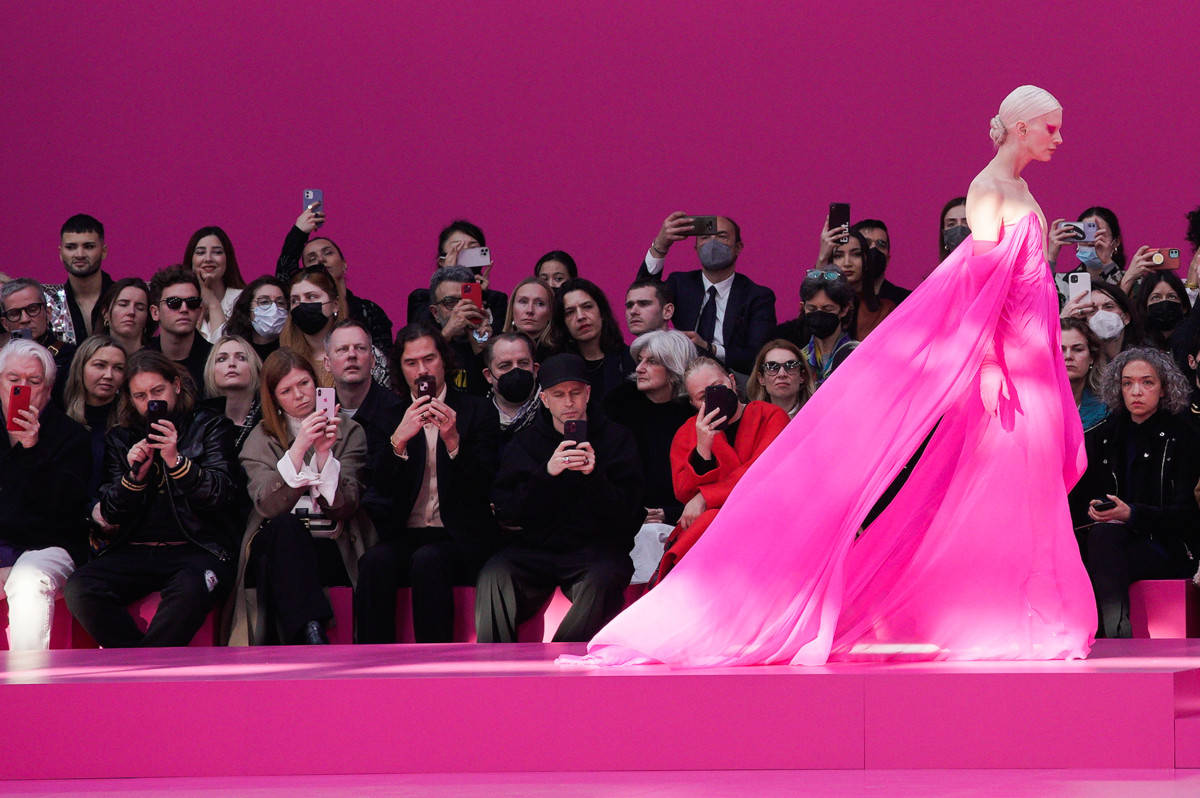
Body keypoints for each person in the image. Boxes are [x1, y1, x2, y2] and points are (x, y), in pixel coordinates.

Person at [563, 85, 1095, 668]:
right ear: (1021, 128)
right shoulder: (989, 189)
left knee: (1024, 488)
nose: (1059, 137)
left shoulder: (1017, 188)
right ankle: (1010, 615)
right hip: (1009, 367)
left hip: (1034, 359)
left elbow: (1023, 284)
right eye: (1051, 127)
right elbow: (979, 291)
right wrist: (991, 365)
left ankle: (1021, 613)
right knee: (1001, 489)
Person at [64, 351, 240, 647]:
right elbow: (109, 512)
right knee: (81, 587)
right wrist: (133, 479)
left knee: (190, 588)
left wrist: (177, 463)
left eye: (158, 392)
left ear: (177, 386)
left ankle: (141, 668)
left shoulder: (211, 427)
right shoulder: (121, 438)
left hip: (197, 549)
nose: (150, 403)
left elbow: (222, 495)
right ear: (130, 399)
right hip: (135, 550)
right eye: (140, 396)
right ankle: (139, 661)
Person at [478, 353, 643, 643]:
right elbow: (508, 510)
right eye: (558, 394)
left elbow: (630, 515)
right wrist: (547, 473)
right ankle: (494, 667)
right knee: (495, 573)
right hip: (536, 550)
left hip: (595, 550)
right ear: (544, 399)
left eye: (575, 393)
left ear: (588, 393)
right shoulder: (526, 442)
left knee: (605, 578)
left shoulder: (616, 439)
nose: (568, 403)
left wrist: (594, 476)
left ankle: (560, 659)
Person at [355, 324, 500, 643]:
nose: (422, 370)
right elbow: (377, 489)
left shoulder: (477, 411)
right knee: (374, 562)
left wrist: (453, 442)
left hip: (459, 535)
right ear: (400, 368)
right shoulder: (386, 415)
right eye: (411, 362)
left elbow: (483, 485)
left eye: (429, 359)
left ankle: (434, 662)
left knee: (429, 561)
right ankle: (367, 663)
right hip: (405, 532)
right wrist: (398, 442)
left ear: (444, 360)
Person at [225, 348, 375, 645]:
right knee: (285, 528)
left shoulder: (350, 431)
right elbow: (268, 505)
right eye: (287, 390)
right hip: (276, 547)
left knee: (298, 543)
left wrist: (322, 455)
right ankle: (311, 632)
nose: (300, 396)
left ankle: (309, 631)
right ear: (274, 398)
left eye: (304, 384)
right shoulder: (259, 439)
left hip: (332, 542)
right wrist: (298, 449)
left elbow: (345, 505)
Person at [1069, 348, 1200, 638]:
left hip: (1167, 546)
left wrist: (1132, 514)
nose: (1136, 391)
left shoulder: (1184, 437)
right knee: (1098, 538)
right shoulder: (1101, 435)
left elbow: (1188, 516)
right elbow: (1076, 504)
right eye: (1127, 383)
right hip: (1110, 543)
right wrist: (1095, 510)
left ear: (1164, 387)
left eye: (1147, 382)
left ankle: (1112, 636)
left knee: (1105, 540)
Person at [652, 357, 789, 584]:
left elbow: (764, 471)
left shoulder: (771, 415)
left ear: (733, 382)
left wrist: (706, 497)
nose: (715, 397)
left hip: (767, 521)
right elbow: (685, 496)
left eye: (719, 387)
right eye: (703, 397)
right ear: (694, 404)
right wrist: (703, 447)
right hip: (710, 539)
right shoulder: (687, 432)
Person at [0, 339, 91, 650]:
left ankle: (27, 687)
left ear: (49, 389)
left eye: (33, 381)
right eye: (13, 380)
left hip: (48, 546)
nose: (22, 388)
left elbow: (63, 514)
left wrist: (33, 451)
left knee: (27, 580)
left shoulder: (72, 437)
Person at [602, 330, 697, 584]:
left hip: (678, 519)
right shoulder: (618, 405)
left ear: (675, 368)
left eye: (652, 362)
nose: (640, 368)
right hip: (624, 518)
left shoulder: (694, 413)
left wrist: (669, 512)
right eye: (640, 360)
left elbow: (703, 477)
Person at [636, 213, 776, 375]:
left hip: (734, 377)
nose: (713, 243)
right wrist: (660, 245)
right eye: (704, 237)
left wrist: (709, 348)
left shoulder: (757, 296)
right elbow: (641, 294)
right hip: (681, 375)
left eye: (721, 236)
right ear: (696, 247)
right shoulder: (680, 283)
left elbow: (758, 355)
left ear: (738, 247)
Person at [323, 320, 405, 538]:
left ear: (372, 360)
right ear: (327, 363)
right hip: (329, 522)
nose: (352, 355)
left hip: (383, 528)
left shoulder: (399, 412)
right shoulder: (317, 413)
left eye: (360, 348)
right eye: (342, 349)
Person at [275, 202, 394, 351]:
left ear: (344, 264)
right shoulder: (302, 309)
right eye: (311, 258)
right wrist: (299, 232)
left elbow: (384, 359)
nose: (320, 260)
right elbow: (282, 279)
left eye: (328, 253)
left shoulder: (369, 311)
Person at [407, 221, 507, 330]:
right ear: (441, 260)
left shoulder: (496, 300)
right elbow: (421, 337)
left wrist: (476, 296)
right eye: (457, 249)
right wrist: (448, 275)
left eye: (472, 249)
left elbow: (491, 342)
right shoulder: (421, 298)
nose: (465, 252)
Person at [63, 335, 127, 501]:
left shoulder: (130, 425)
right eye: (100, 365)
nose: (109, 375)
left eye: (118, 368)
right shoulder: (60, 420)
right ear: (81, 368)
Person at [1, 278, 76, 401]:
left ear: (48, 313)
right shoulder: (1, 361)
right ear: (5, 324)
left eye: (32, 309)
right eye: (14, 313)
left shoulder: (72, 358)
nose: (24, 319)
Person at [554, 278, 626, 405]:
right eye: (570, 312)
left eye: (587, 307)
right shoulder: (558, 367)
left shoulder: (629, 360)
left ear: (602, 312)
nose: (581, 316)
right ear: (563, 323)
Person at [44, 214, 114, 345]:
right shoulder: (50, 305)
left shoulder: (123, 300)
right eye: (71, 247)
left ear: (103, 251)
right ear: (60, 253)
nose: (79, 254)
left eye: (88, 246)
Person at [146, 265, 212, 393]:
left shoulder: (215, 360)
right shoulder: (141, 360)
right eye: (174, 302)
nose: (184, 309)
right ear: (155, 312)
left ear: (199, 311)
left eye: (192, 302)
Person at [428, 265, 491, 396]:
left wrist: (481, 347)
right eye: (450, 302)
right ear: (435, 313)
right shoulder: (423, 341)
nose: (460, 309)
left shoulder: (491, 338)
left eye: (466, 301)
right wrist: (447, 333)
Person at [827, 229, 897, 340]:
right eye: (838, 256)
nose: (847, 263)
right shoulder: (818, 309)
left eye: (856, 254)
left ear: (866, 260)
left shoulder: (886, 310)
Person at [184, 226, 246, 343]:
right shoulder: (180, 304)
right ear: (191, 259)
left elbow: (224, 351)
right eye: (200, 252)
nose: (208, 259)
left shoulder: (243, 300)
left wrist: (212, 302)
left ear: (227, 258)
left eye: (217, 252)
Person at [797, 270, 858, 389]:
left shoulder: (857, 355)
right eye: (812, 308)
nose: (819, 314)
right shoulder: (797, 360)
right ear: (803, 307)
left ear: (844, 309)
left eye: (827, 309)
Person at [202, 334, 263, 451]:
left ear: (254, 367)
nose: (231, 364)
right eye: (221, 359)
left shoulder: (269, 419)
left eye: (241, 358)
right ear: (211, 370)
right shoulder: (201, 423)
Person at [482, 331, 542, 445]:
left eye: (523, 363)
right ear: (488, 375)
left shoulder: (552, 412)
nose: (515, 370)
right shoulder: (477, 417)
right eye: (505, 366)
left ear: (535, 369)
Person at [224, 275, 288, 363]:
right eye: (264, 302)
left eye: (280, 303)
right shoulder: (234, 349)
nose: (274, 309)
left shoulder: (294, 349)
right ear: (247, 308)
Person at [1060, 318, 1108, 431]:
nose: (1068, 356)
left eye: (1078, 349)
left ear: (1092, 357)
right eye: (1060, 349)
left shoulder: (1108, 408)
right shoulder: (1031, 405)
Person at [849, 219, 911, 304]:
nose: (874, 248)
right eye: (866, 243)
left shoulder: (907, 300)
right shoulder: (837, 300)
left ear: (888, 259)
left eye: (881, 244)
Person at [501, 276, 560, 362]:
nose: (530, 310)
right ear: (512, 308)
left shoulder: (560, 352)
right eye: (523, 301)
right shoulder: (496, 347)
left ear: (550, 312)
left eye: (540, 304)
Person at [748, 339, 809, 418]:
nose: (782, 374)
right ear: (761, 378)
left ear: (802, 376)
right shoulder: (750, 419)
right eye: (772, 366)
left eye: (790, 366)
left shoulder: (819, 415)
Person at [1132, 271, 1190, 353]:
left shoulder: (1193, 343)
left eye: (1171, 296)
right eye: (1156, 297)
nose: (1164, 302)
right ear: (1145, 307)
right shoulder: (1136, 347)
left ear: (1184, 307)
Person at [95, 278, 152, 353]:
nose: (131, 312)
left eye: (140, 308)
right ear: (105, 313)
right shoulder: (91, 355)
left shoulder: (157, 360)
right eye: (123, 305)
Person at [938, 197, 970, 263]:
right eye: (951, 224)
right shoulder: (939, 273)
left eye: (966, 223)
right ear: (944, 233)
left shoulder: (993, 271)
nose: (959, 228)